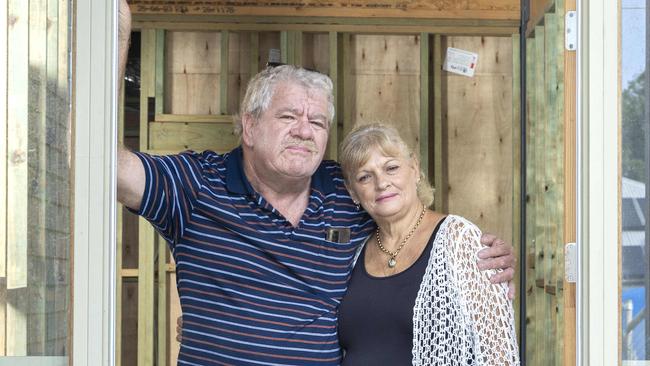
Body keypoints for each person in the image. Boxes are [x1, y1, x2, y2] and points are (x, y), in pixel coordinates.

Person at [117, 1, 516, 364]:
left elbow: (419, 231)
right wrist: (115, 39)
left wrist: (483, 257)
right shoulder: (196, 185)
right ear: (250, 126)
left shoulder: (346, 192)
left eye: (318, 122)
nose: (304, 132)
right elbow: (111, 169)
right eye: (289, 117)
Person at [336, 123, 519, 365]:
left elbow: (499, 355)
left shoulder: (458, 239)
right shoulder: (355, 251)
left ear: (414, 168)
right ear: (353, 192)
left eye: (391, 168)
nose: (381, 183)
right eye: (364, 177)